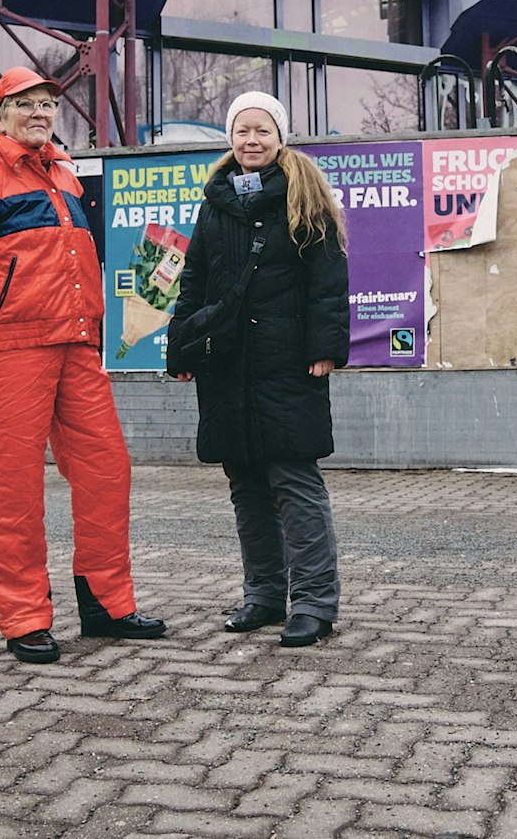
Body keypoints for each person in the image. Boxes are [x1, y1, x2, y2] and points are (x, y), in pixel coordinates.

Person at [0, 66, 165, 664]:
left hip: (77, 347)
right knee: (17, 489)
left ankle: (107, 605)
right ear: (0, 114)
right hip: (12, 353)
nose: (40, 113)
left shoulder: (64, 176)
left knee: (108, 470)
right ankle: (25, 617)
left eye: (48, 104)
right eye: (26, 104)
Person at [168, 92, 349, 648]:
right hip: (227, 365)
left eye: (262, 130)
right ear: (230, 137)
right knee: (245, 482)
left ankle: (315, 603)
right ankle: (265, 596)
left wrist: (325, 347)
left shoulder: (305, 194)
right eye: (242, 130)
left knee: (294, 480)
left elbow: (328, 279)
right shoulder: (215, 201)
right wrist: (183, 347)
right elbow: (194, 277)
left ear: (280, 137)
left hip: (287, 363)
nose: (252, 140)